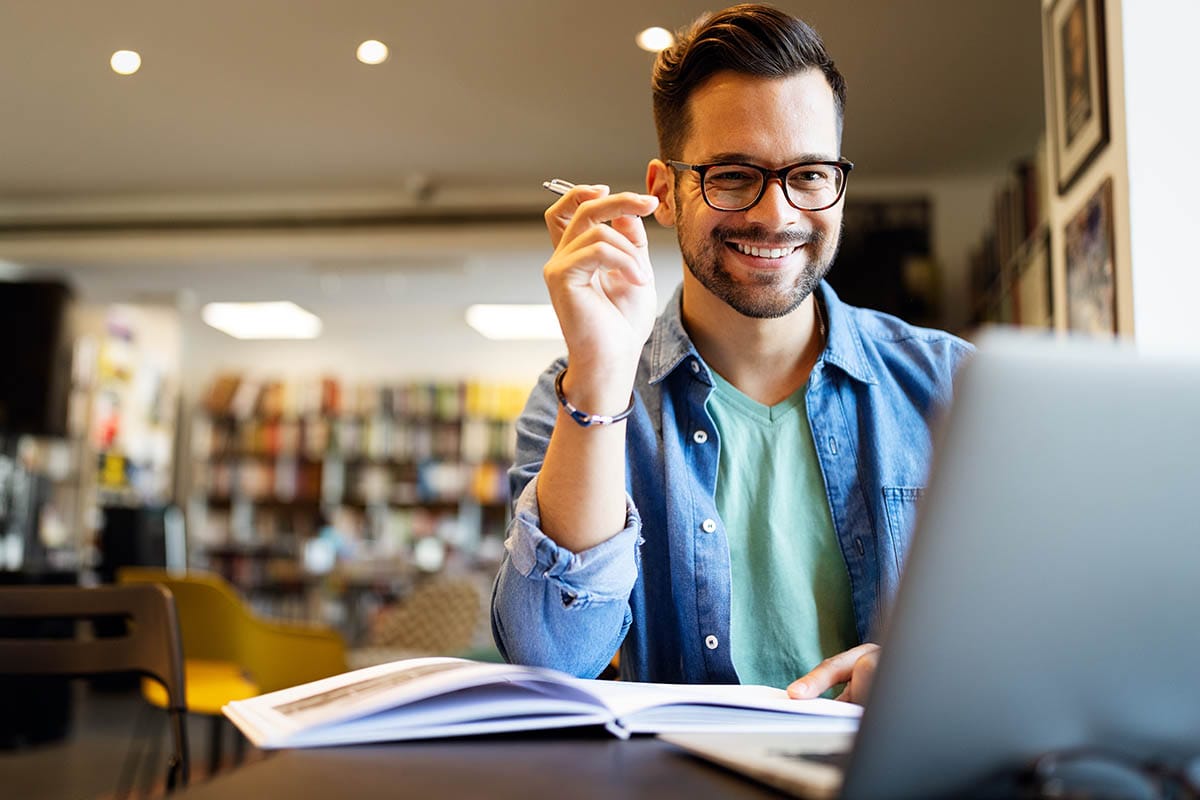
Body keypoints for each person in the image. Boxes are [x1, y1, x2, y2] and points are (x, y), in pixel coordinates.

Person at [490, 3, 972, 704]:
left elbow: (1051, 625)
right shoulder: (575, 400)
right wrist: (600, 370)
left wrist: (933, 670)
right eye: (734, 174)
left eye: (807, 175)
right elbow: (552, 662)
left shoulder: (954, 386)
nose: (775, 215)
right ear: (665, 192)